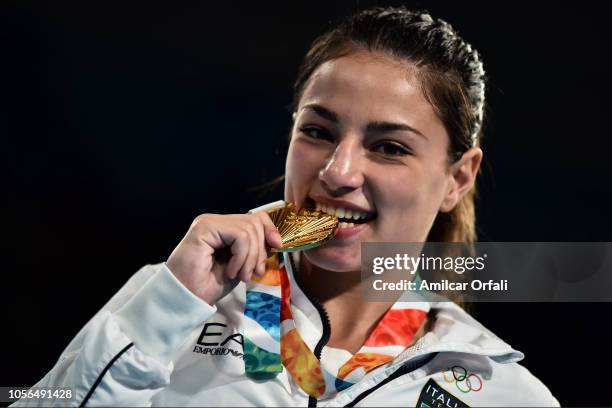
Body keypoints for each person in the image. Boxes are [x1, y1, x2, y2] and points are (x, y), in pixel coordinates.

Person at [13, 6, 559, 407]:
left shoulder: (503, 392)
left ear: (457, 179)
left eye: (388, 147)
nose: (338, 172)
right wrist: (168, 308)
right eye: (319, 132)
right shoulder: (172, 305)